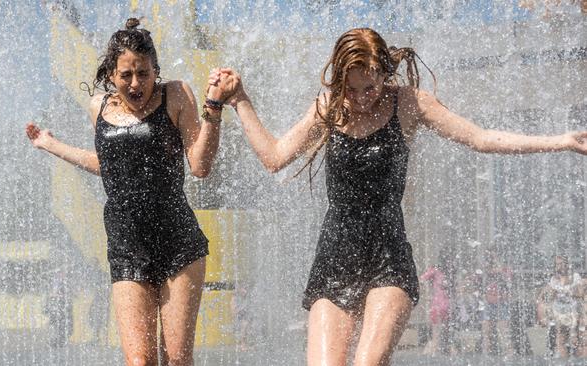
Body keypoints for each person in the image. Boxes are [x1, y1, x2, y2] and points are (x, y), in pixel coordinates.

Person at [209, 27, 587, 365]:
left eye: (369, 87)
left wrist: (560, 141)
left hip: (388, 259)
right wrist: (240, 99)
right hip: (334, 257)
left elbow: (481, 138)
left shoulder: (409, 104)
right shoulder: (329, 107)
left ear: (384, 74)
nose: (359, 98)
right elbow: (274, 158)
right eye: (351, 88)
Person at [26, 18, 229, 366]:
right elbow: (110, 165)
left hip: (178, 243)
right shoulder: (99, 107)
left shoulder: (176, 95)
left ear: (155, 70)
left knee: (177, 359)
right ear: (111, 74)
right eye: (126, 75)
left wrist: (213, 107)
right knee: (139, 361)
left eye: (144, 73)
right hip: (126, 245)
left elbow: (199, 165)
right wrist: (51, 145)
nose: (136, 84)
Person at [537, 255, 582, 358]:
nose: (561, 266)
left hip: (574, 316)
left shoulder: (575, 277)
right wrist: (542, 315)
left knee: (575, 344)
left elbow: (580, 293)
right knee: (558, 340)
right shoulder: (553, 280)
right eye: (558, 264)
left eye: (563, 263)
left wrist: (567, 291)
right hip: (559, 317)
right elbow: (542, 297)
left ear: (568, 264)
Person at [479, 251, 513, 356]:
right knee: (486, 331)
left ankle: (509, 353)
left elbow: (507, 277)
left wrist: (496, 262)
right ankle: (486, 354)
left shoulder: (504, 270)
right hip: (488, 303)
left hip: (502, 303)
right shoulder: (484, 272)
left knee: (504, 330)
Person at [420, 265, 450, 355]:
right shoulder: (449, 272)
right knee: (445, 328)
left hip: (437, 304)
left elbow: (422, 278)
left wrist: (426, 290)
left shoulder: (435, 271)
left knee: (436, 329)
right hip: (447, 304)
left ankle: (435, 349)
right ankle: (442, 348)